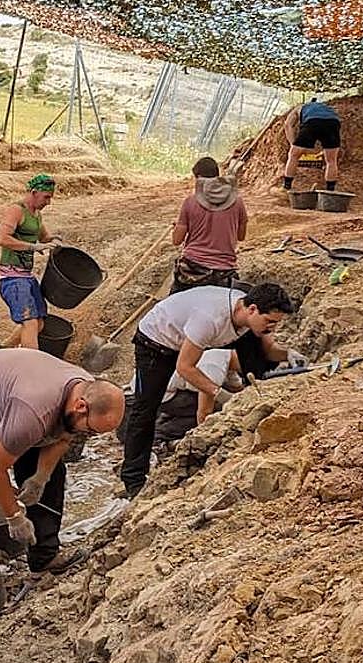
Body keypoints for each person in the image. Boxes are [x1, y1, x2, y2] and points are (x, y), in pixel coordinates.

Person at [0, 348, 125, 573]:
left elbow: (63, 438)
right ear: (80, 407)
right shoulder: (32, 414)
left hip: (18, 395)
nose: (89, 437)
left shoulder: (85, 391)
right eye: (90, 431)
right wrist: (14, 517)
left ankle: (44, 556)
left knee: (54, 475)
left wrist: (40, 478)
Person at [121, 284, 295, 498]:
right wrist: (218, 393)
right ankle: (133, 480)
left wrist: (288, 355)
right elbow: (184, 367)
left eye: (276, 324)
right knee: (145, 409)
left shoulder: (245, 316)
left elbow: (268, 352)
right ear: (252, 309)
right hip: (156, 340)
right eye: (269, 322)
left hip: (190, 337)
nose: (272, 328)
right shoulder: (210, 319)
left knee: (256, 357)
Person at [117, 349, 241, 449]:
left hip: (153, 384)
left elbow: (237, 388)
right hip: (155, 391)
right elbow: (204, 412)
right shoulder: (214, 365)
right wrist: (204, 438)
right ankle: (158, 435)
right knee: (214, 409)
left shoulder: (225, 356)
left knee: (214, 400)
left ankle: (166, 418)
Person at [0, 174, 62, 349]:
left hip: (26, 276)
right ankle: (30, 366)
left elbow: (44, 237)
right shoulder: (16, 211)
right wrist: (32, 247)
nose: (49, 202)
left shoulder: (36, 215)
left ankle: (2, 350)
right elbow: (1, 238)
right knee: (30, 323)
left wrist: (53, 239)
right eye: (46, 197)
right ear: (34, 192)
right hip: (12, 277)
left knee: (38, 323)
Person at [171, 157, 248, 295]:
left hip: (192, 269)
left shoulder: (190, 202)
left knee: (174, 308)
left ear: (199, 178)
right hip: (224, 272)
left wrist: (177, 227)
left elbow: (176, 241)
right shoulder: (238, 202)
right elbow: (241, 237)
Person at [282, 96, 342, 193]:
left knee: (293, 155)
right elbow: (330, 122)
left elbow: (288, 125)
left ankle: (286, 187)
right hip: (333, 123)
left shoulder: (299, 107)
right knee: (331, 160)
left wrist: (292, 144)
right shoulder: (325, 108)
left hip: (312, 121)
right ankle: (330, 191)